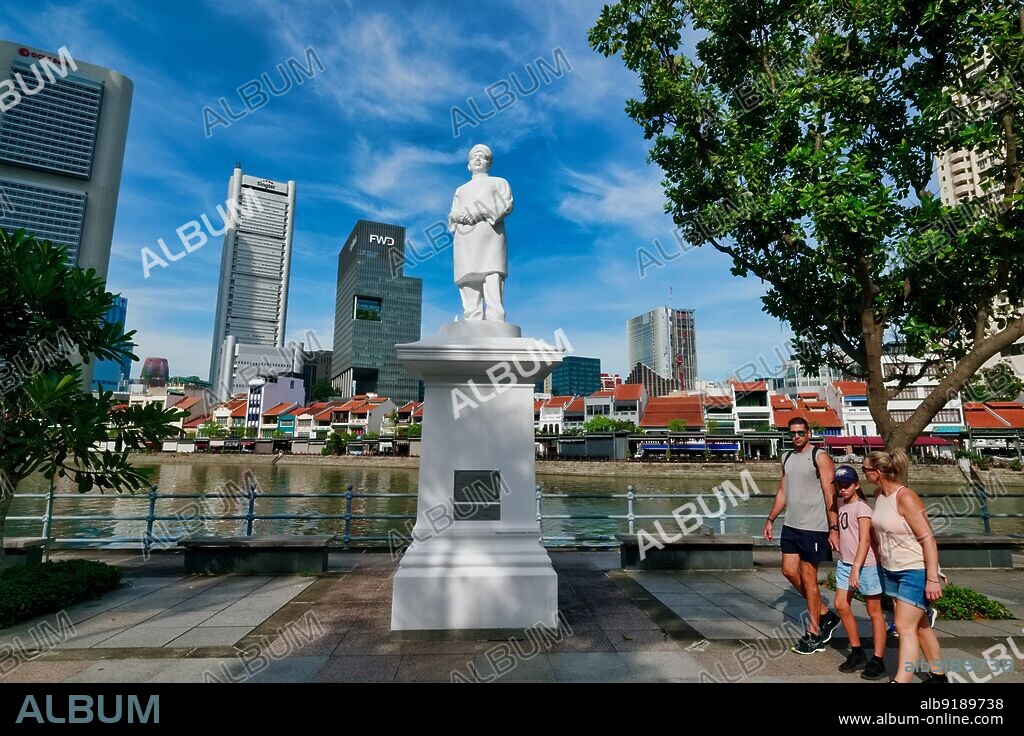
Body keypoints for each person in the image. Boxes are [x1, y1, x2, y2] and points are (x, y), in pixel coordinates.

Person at [865, 449, 947, 683]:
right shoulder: (879, 495)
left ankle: (901, 680)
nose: (863, 473)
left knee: (904, 626)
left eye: (865, 469)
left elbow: (928, 538)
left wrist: (932, 577)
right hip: (891, 570)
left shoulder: (906, 497)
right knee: (919, 625)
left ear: (877, 472)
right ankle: (939, 676)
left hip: (914, 569)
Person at [764, 416, 841, 654]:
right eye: (792, 433)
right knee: (788, 570)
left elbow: (830, 493)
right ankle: (826, 614)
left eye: (800, 432)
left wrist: (834, 528)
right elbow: (783, 492)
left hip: (814, 527)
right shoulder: (786, 458)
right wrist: (770, 519)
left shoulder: (820, 457)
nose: (796, 436)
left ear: (809, 432)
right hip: (792, 525)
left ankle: (814, 633)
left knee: (809, 577)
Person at [832, 465, 887, 679]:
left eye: (847, 484)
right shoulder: (842, 505)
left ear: (856, 485)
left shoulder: (862, 508)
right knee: (840, 604)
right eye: (840, 484)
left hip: (866, 565)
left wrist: (856, 568)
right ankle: (856, 651)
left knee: (874, 612)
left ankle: (878, 659)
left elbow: (865, 540)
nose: (843, 488)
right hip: (846, 563)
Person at [447, 144, 513, 321]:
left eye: (482, 157)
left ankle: (495, 316)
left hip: (490, 233)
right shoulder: (460, 190)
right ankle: (471, 316)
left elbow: (506, 205)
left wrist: (481, 212)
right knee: (468, 276)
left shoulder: (499, 182)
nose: (477, 159)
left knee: (492, 272)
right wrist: (459, 216)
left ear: (489, 162)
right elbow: (453, 213)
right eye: (474, 157)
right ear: (468, 164)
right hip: (465, 236)